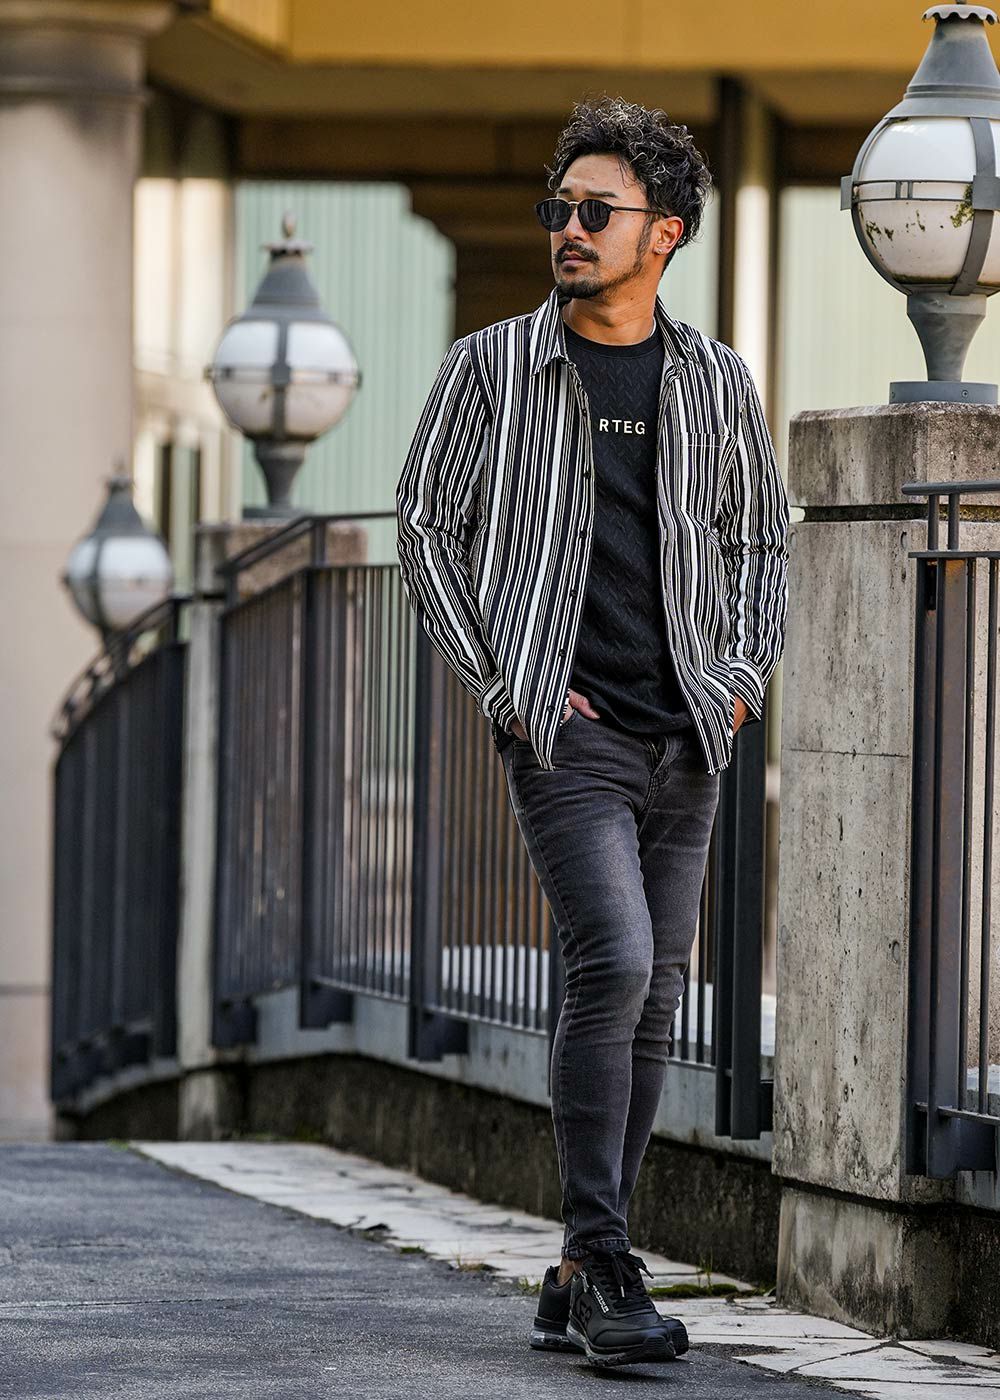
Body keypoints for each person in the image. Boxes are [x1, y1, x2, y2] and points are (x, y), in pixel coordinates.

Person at [396, 95, 789, 1368]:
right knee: (611, 960)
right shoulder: (491, 367)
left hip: (689, 730)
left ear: (662, 232)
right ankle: (605, 1251)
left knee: (657, 989)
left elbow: (760, 542)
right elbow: (423, 525)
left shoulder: (717, 380)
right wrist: (505, 682)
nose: (568, 228)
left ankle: (581, 1270)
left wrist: (737, 676)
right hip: (567, 735)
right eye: (558, 208)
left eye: (596, 211)